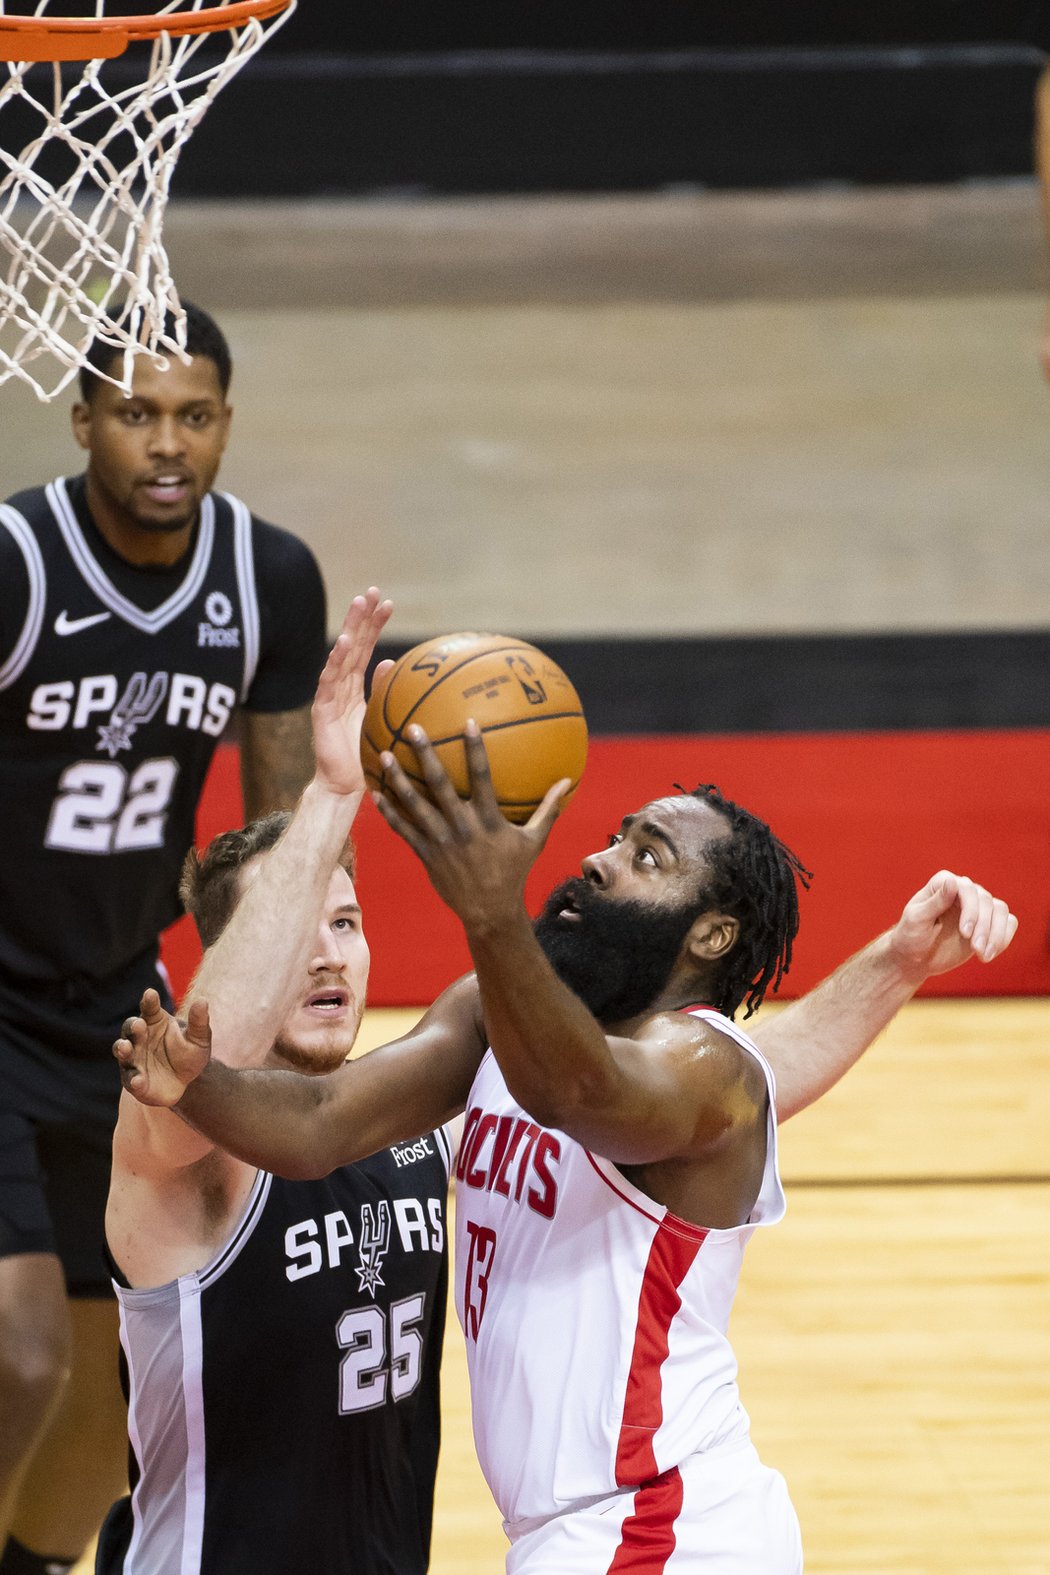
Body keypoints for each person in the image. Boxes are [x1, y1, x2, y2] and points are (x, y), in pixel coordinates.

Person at [116, 714, 1017, 1571]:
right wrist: (201, 1083)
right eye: (619, 837)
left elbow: (580, 1088)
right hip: (586, 1534)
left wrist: (491, 911)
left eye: (646, 858)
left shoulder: (704, 1070)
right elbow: (319, 1124)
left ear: (710, 932)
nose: (600, 859)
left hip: (659, 1523)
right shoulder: (504, 1017)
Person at [0, 303, 328, 1575]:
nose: (167, 443)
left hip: (121, 1010)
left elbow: (281, 840)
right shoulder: (21, 561)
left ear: (227, 425)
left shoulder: (267, 579)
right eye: (136, 413)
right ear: (82, 420)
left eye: (194, 415)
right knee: (21, 1352)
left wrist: (285, 1019)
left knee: (122, 1402)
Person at [97, 591, 455, 1574]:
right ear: (236, 954)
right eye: (299, 931)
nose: (329, 955)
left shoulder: (409, 1117)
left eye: (347, 923)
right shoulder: (182, 1144)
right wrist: (331, 798)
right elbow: (210, 1056)